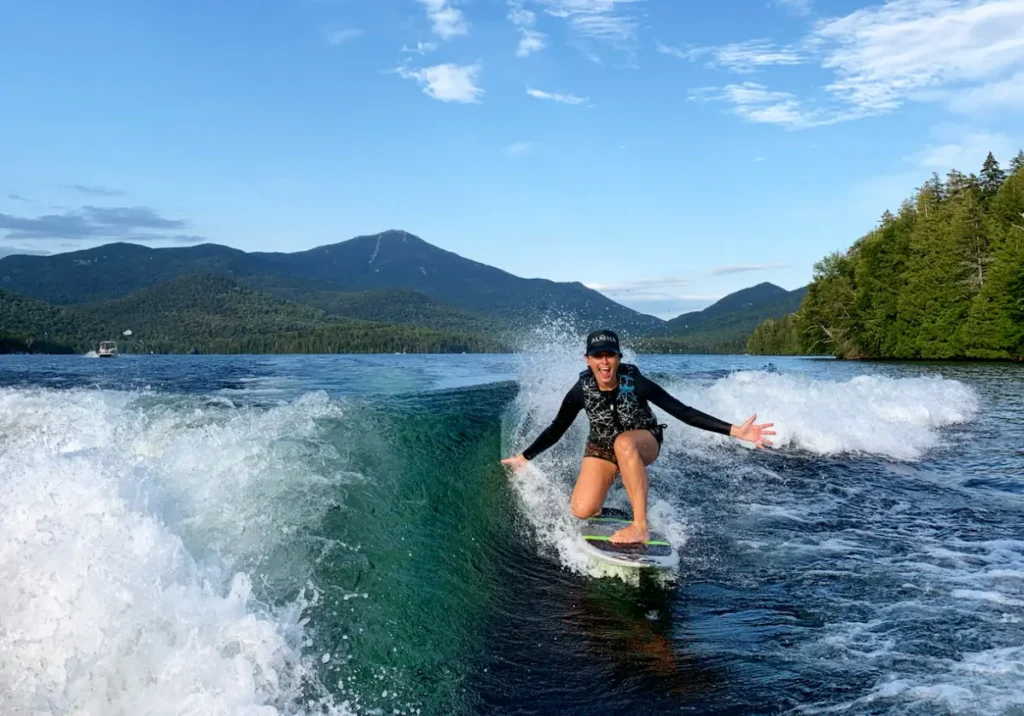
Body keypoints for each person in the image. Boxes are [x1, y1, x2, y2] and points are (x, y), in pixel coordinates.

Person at [500, 329, 775, 544]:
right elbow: (556, 428)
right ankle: (610, 501)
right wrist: (525, 457)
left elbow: (683, 412)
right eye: (598, 356)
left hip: (643, 441)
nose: (604, 362)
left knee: (624, 443)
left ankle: (640, 526)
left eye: (610, 355)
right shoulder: (580, 391)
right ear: (588, 360)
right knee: (582, 510)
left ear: (619, 357)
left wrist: (735, 431)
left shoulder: (636, 382)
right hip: (602, 447)